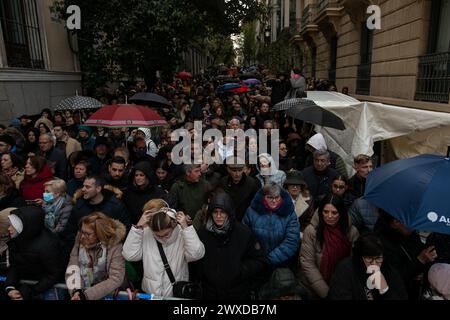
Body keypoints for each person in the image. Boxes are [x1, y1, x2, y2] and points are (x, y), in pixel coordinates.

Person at [122, 199, 205, 297]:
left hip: (175, 293)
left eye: (166, 234)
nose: (162, 237)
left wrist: (186, 228)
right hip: (151, 293)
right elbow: (129, 255)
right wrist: (138, 227)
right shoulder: (145, 232)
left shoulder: (181, 232)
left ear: (172, 224)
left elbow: (196, 254)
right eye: (158, 235)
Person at [195, 192, 268, 300]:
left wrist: (240, 270)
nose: (218, 216)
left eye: (222, 212)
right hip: (210, 292)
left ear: (229, 213)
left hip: (237, 292)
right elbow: (197, 260)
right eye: (215, 212)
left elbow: (259, 259)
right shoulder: (203, 233)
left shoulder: (243, 233)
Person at [299, 194, 359, 299]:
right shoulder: (311, 231)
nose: (329, 216)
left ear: (341, 213)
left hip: (343, 286)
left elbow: (355, 263)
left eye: (334, 212)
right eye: (325, 212)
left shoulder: (351, 232)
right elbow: (307, 263)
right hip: (315, 288)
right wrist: (326, 293)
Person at [62, 175, 131, 260]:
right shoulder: (79, 206)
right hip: (84, 254)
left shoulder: (115, 206)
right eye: (83, 186)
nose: (83, 189)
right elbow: (70, 230)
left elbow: (126, 228)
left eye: (87, 187)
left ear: (98, 189)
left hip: (108, 255)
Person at [2, 206, 63, 300]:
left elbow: (54, 274)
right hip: (27, 286)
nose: (9, 229)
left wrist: (30, 291)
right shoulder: (16, 239)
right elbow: (15, 265)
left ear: (23, 226)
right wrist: (10, 287)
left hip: (46, 290)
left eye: (12, 225)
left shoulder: (48, 245)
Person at [374, 210, 437, 299]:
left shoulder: (410, 234)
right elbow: (392, 278)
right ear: (396, 222)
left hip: (413, 290)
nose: (415, 223)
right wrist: (420, 261)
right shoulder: (379, 245)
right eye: (411, 219)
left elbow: (419, 251)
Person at [65, 212, 126, 300]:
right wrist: (76, 291)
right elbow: (72, 268)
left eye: (88, 234)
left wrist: (87, 295)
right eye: (82, 231)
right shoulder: (80, 241)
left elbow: (115, 278)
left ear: (99, 234)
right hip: (83, 292)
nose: (82, 236)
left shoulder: (114, 246)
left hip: (109, 295)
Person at [328, 233, 408, 300]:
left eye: (378, 258)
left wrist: (385, 290)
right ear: (360, 257)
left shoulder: (389, 270)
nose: (374, 264)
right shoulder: (345, 270)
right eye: (369, 258)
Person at [243, 182, 300, 268]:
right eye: (270, 197)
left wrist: (269, 259)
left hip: (281, 264)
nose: (274, 201)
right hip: (255, 262)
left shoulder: (289, 214)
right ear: (263, 197)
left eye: (277, 197)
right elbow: (244, 235)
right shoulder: (252, 211)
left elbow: (291, 241)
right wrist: (256, 255)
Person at [219, 157, 260, 221]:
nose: (237, 174)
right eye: (234, 171)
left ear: (243, 169)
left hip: (246, 219)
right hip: (227, 219)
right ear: (228, 170)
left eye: (240, 170)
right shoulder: (223, 182)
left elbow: (257, 203)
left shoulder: (252, 183)